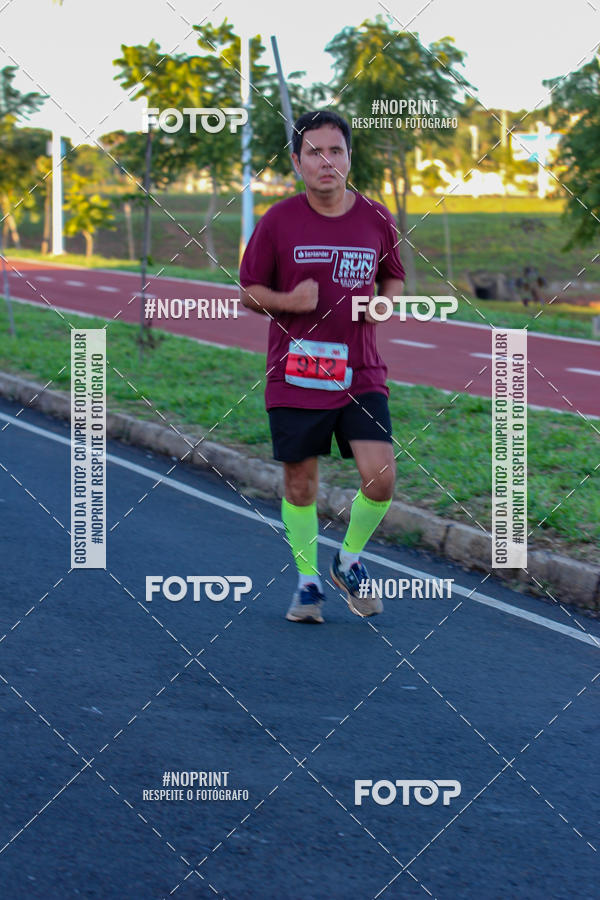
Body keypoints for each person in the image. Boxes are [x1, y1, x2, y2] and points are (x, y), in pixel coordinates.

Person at [240, 110, 405, 624]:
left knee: (381, 479)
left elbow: (393, 277)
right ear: (297, 161)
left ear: (349, 157)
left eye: (335, 151)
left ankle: (348, 560)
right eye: (314, 152)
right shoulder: (278, 220)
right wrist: (290, 300)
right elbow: (248, 292)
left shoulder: (377, 217)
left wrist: (382, 304)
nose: (326, 161)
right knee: (299, 484)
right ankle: (308, 583)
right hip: (296, 374)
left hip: (360, 371)